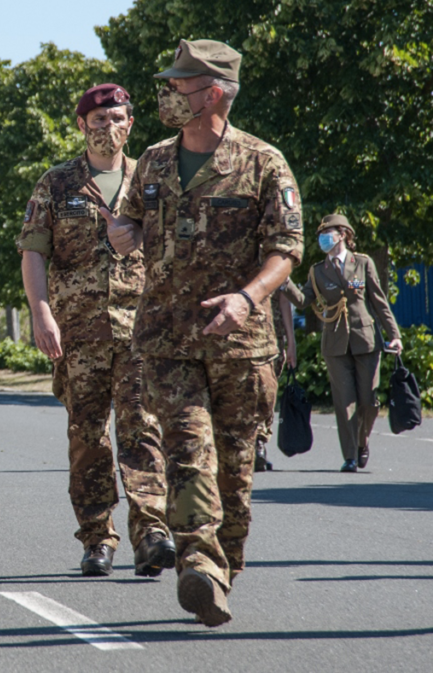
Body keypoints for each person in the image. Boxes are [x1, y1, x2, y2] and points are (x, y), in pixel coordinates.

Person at [102, 40, 303, 626]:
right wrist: (123, 232)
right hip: (167, 338)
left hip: (241, 344)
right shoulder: (155, 161)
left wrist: (248, 296)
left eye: (178, 87)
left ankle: (220, 571)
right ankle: (199, 561)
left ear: (212, 93)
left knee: (235, 473)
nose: (167, 95)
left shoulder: (264, 162)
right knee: (189, 452)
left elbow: (286, 249)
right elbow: (133, 222)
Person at [17, 83, 173, 579]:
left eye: (119, 118)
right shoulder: (57, 184)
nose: (109, 128)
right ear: (82, 125)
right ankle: (97, 537)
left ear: (132, 124)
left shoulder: (152, 181)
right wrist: (41, 312)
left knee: (143, 431)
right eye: (99, 120)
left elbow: (178, 243)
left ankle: (151, 532)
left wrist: (142, 233)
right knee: (88, 438)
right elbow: (34, 251)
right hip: (78, 333)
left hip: (142, 330)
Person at [283, 214, 402, 472]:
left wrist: (394, 334)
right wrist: (284, 281)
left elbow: (379, 302)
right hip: (335, 343)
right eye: (321, 233)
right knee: (344, 402)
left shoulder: (363, 263)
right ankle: (349, 456)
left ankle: (362, 442)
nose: (324, 237)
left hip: (366, 340)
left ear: (343, 235)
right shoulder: (318, 271)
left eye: (329, 232)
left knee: (369, 401)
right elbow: (303, 300)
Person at [254, 288, 296, 471]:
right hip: (246, 339)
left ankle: (259, 443)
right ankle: (249, 445)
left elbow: (285, 302)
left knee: (267, 393)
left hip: (273, 339)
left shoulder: (275, 261)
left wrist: (291, 342)